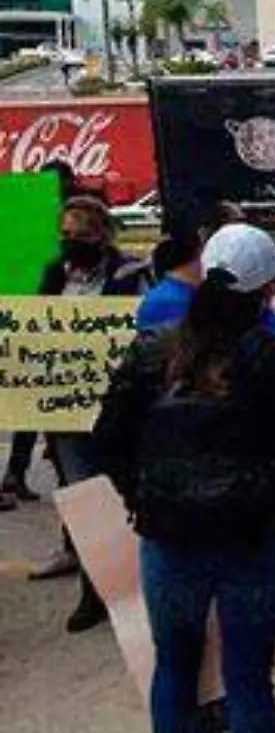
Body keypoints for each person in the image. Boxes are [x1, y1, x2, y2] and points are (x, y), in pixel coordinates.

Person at [92, 223, 275, 733]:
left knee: (174, 667)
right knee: (248, 676)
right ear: (267, 288)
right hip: (249, 536)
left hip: (169, 538)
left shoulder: (153, 351)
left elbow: (108, 440)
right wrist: (261, 489)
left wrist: (144, 497)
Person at [31, 196, 150, 632]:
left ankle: (136, 589)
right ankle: (93, 591)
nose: (71, 243)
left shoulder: (131, 275)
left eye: (81, 236)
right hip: (68, 410)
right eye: (65, 236)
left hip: (118, 409)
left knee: (126, 495)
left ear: (102, 235)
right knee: (83, 500)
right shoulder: (53, 275)